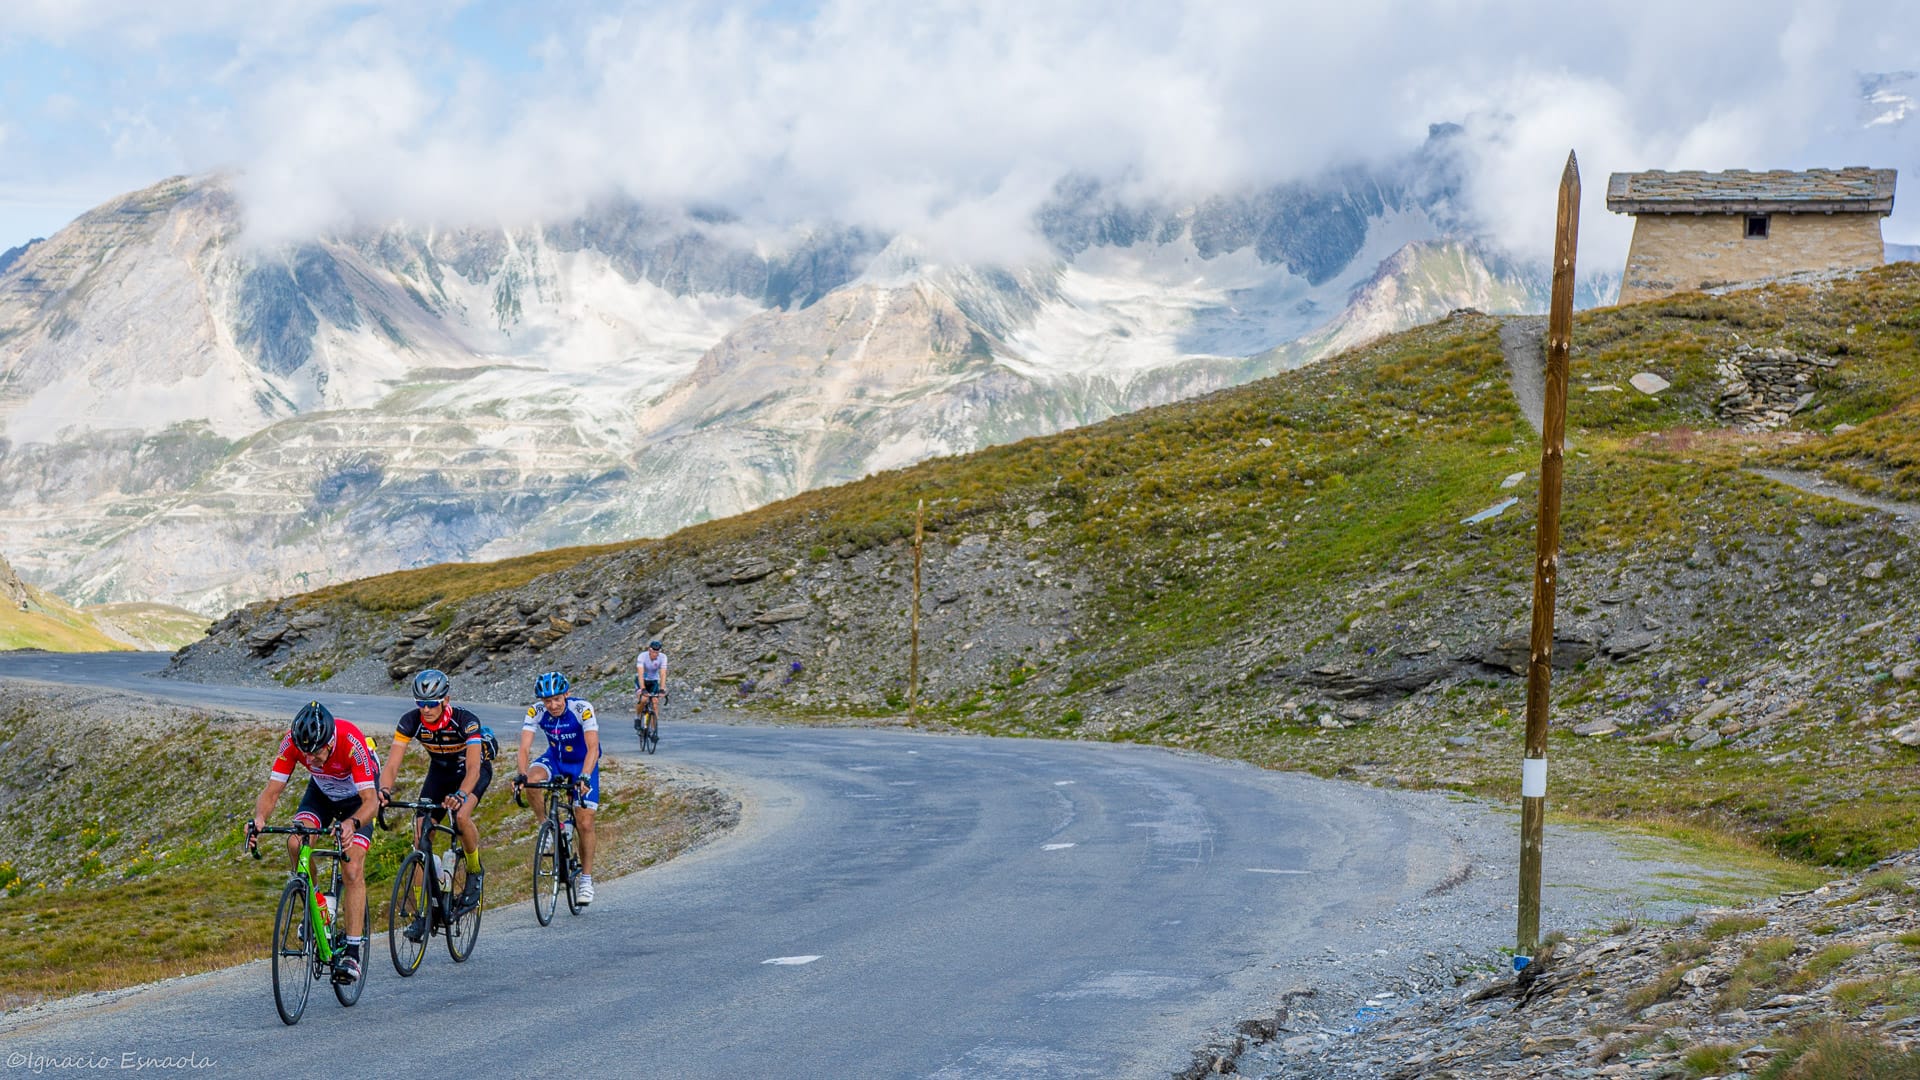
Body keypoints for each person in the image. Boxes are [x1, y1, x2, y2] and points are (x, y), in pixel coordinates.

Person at [249, 701, 380, 985]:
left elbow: (372, 803)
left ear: (330, 739)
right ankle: (320, 904)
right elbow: (272, 792)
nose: (312, 759)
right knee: (297, 842)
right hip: (321, 794)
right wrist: (259, 818)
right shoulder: (293, 742)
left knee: (352, 867)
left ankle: (353, 952)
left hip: (358, 800)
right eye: (306, 754)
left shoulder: (351, 741)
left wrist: (352, 823)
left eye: (317, 752)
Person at [378, 669, 493, 924]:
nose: (426, 709)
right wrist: (383, 790)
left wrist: (462, 794)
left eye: (432, 704)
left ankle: (474, 870)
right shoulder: (411, 721)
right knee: (420, 838)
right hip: (439, 773)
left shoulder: (466, 721)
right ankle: (424, 911)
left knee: (461, 817)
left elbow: (474, 769)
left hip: (471, 772)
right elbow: (393, 765)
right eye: (421, 704)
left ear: (446, 700)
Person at [515, 671, 602, 905]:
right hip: (554, 759)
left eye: (557, 699)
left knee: (585, 822)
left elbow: (593, 747)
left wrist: (584, 776)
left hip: (582, 764)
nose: (552, 705)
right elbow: (524, 748)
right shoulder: (536, 711)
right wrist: (522, 774)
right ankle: (547, 826)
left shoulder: (582, 708)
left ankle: (585, 879)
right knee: (532, 781)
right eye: (547, 701)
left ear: (567, 694)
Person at [635, 640, 667, 739]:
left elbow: (663, 674)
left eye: (657, 652)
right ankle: (637, 717)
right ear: (649, 650)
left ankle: (654, 731)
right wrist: (643, 689)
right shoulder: (642, 656)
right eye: (653, 652)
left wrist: (662, 689)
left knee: (655, 703)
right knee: (643, 699)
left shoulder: (663, 657)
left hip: (653, 681)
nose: (655, 654)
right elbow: (640, 674)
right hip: (642, 680)